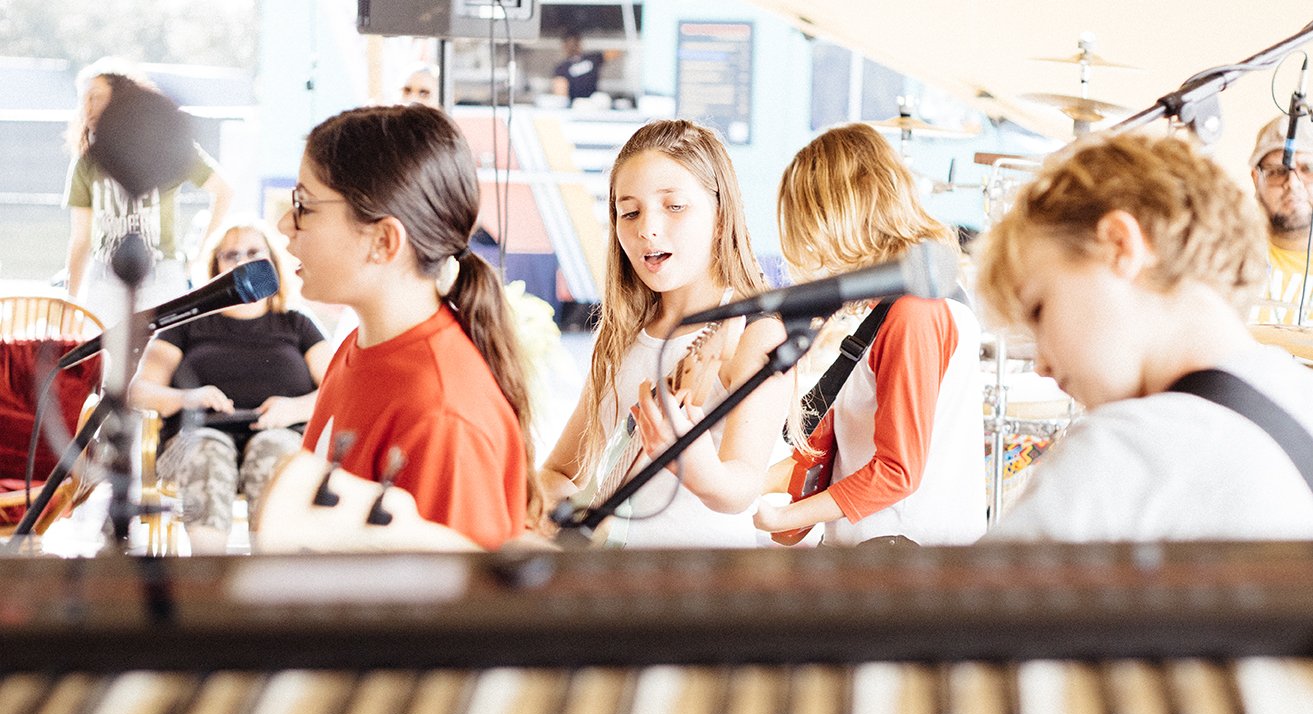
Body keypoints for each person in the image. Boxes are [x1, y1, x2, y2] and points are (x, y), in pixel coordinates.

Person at [974, 130, 1313, 541]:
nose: (1042, 363)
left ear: (1120, 245)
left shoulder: (1125, 450)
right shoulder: (1300, 397)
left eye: (1040, 310)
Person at [279, 103, 539, 550]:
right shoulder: (360, 345)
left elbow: (459, 608)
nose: (286, 225)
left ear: (383, 241)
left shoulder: (442, 414)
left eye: (304, 205)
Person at [540, 118, 791, 548]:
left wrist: (695, 463)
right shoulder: (622, 333)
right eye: (629, 211)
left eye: (674, 206)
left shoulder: (755, 333)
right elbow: (562, 472)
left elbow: (740, 489)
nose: (646, 229)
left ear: (719, 216)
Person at [751, 123, 986, 547]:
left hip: (903, 569)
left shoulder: (917, 312)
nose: (812, 254)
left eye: (811, 230)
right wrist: (738, 487)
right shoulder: (892, 310)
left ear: (841, 218)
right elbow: (833, 450)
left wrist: (782, 517)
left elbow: (896, 473)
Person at [128, 218, 332, 554]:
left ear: (271, 261)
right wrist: (186, 397)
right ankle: (211, 580)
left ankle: (271, 581)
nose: (241, 262)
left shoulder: (298, 324)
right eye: (230, 255)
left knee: (276, 451)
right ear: (216, 267)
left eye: (253, 252)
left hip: (279, 434)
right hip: (197, 436)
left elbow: (339, 387)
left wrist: (294, 408)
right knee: (207, 451)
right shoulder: (186, 325)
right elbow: (139, 391)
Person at [63, 57, 233, 320]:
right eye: (83, 100)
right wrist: (69, 303)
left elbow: (224, 192)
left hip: (161, 277)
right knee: (100, 358)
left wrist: (198, 256)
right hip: (104, 280)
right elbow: (81, 239)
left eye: (96, 97)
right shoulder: (87, 162)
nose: (87, 108)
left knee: (157, 356)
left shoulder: (168, 148)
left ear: (122, 100)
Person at [1247, 114, 1313, 325]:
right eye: (1277, 171)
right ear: (1257, 179)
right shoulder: (1228, 258)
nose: (1292, 183)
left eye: (1308, 169)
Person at [551, 31, 621, 103]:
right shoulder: (562, 67)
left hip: (593, 101)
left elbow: (614, 53)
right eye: (570, 43)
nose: (572, 46)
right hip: (576, 103)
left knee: (602, 98)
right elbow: (560, 91)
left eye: (574, 43)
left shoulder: (593, 58)